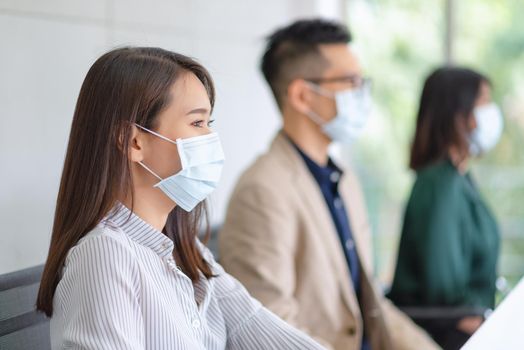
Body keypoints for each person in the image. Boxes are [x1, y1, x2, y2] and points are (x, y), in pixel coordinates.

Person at [35, 47, 326, 350]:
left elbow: (253, 325)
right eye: (197, 123)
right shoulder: (104, 255)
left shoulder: (185, 250)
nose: (211, 139)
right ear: (133, 142)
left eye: (209, 124)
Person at [219, 19, 439, 350]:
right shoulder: (262, 190)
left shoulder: (344, 180)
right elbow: (271, 328)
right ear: (302, 95)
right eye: (351, 81)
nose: (362, 92)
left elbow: (371, 305)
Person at [388, 67, 502, 350]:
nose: (491, 113)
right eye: (483, 102)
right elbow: (446, 297)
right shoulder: (440, 185)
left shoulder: (458, 178)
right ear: (459, 114)